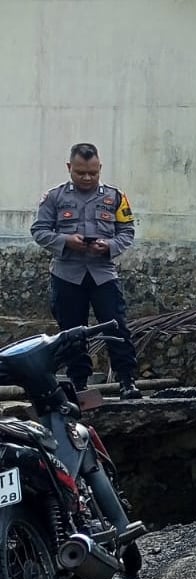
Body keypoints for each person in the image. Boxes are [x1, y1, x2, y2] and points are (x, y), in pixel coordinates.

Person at [31, 143, 142, 400]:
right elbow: (39, 231)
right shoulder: (54, 197)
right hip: (66, 273)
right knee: (71, 331)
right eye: (80, 173)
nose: (87, 178)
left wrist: (110, 246)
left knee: (116, 326)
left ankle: (127, 380)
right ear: (70, 168)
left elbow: (127, 232)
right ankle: (78, 384)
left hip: (103, 273)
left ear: (99, 168)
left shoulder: (115, 197)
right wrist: (65, 241)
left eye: (93, 173)